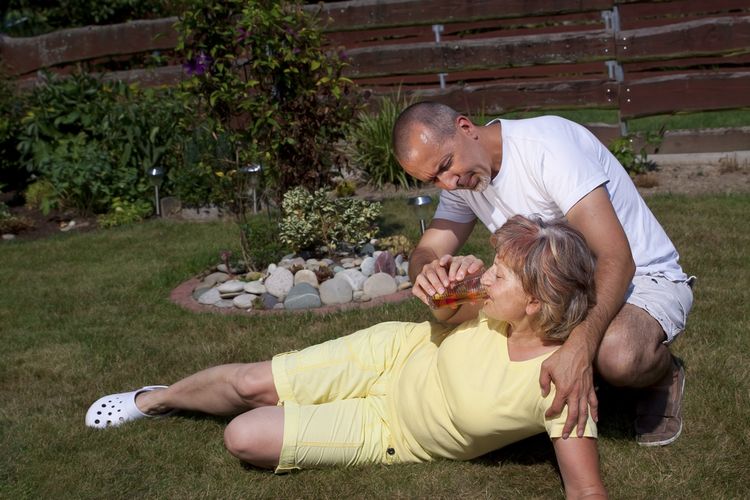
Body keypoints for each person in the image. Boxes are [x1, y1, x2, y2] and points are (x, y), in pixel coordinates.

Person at [87, 215, 606, 499]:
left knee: (242, 436)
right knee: (251, 384)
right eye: (492, 265)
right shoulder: (495, 308)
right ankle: (153, 400)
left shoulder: (560, 384)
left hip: (392, 434)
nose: (489, 276)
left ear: (537, 300)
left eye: (501, 273)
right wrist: (453, 288)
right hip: (392, 352)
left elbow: (585, 489)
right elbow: (442, 320)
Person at [391, 101, 695, 446]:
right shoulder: (463, 180)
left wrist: (581, 345)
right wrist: (427, 271)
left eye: (446, 165)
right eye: (434, 179)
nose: (448, 183)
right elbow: (429, 249)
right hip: (561, 289)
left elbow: (617, 259)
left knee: (618, 355)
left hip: (640, 279)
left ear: (465, 127)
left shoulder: (546, 148)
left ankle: (662, 374)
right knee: (453, 302)